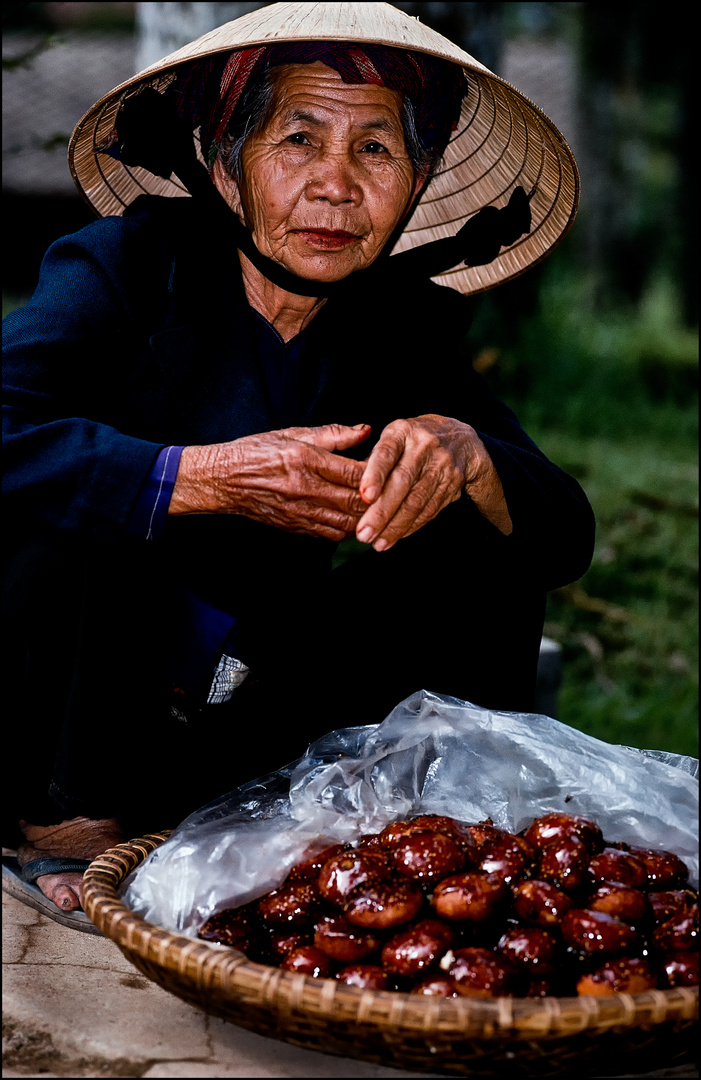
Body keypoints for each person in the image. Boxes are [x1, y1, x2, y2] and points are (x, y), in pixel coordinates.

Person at [2, 2, 595, 926]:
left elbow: (563, 535)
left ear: (418, 180)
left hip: (244, 714)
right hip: (79, 703)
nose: (334, 184)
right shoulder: (126, 267)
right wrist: (188, 477)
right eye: (298, 138)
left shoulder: (400, 325)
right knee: (77, 502)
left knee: (487, 531)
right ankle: (65, 826)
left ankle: (437, 835)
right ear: (225, 169)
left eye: (375, 150)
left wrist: (470, 456)